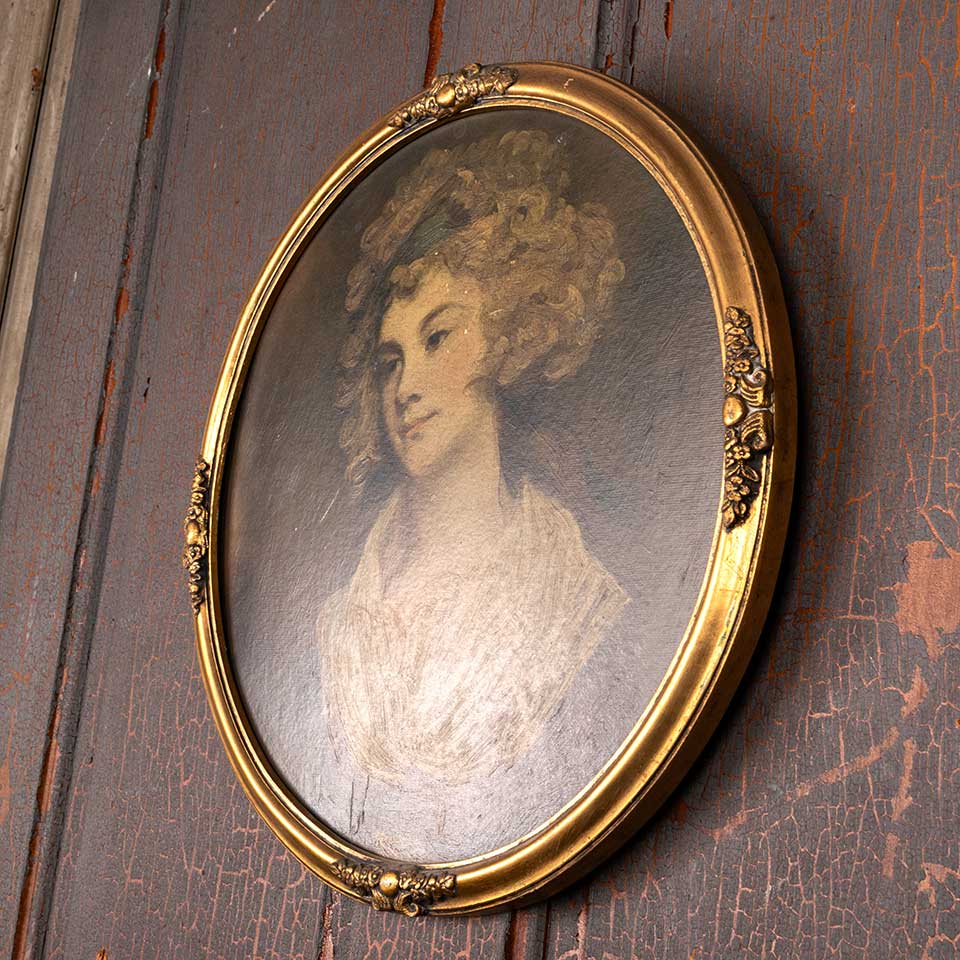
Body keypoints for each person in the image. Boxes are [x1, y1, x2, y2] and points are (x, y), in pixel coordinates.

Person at [317, 128, 630, 793]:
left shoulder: (571, 594)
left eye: (438, 337)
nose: (405, 387)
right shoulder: (338, 620)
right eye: (390, 362)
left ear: (511, 333)